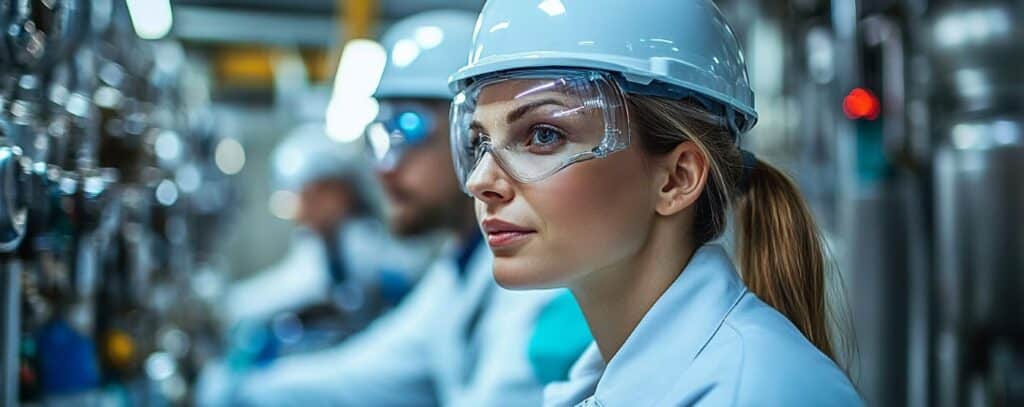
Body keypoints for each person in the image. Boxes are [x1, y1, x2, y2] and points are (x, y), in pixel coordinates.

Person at [447, 0, 864, 405]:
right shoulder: (602, 382)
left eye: (543, 135)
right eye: (477, 142)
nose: (482, 181)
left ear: (677, 179)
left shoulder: (754, 392)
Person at [226, 10, 589, 406]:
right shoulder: (459, 267)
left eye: (410, 128)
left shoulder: (541, 279)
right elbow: (367, 373)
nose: (385, 168)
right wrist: (240, 389)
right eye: (382, 135)